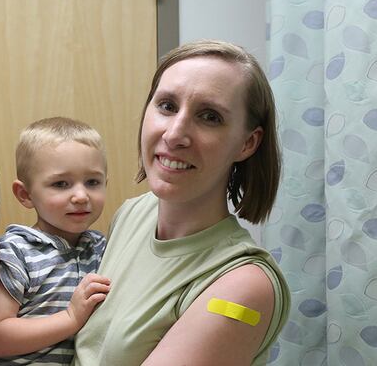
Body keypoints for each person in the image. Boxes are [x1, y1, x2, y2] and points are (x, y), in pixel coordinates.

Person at [73, 40, 291, 365]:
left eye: (209, 117)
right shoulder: (133, 214)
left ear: (247, 143)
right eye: (167, 106)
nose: (175, 134)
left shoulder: (243, 284)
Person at [0, 117, 111, 366]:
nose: (81, 195)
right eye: (61, 184)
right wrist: (70, 318)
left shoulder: (102, 248)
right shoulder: (16, 252)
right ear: (25, 194)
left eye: (92, 182)